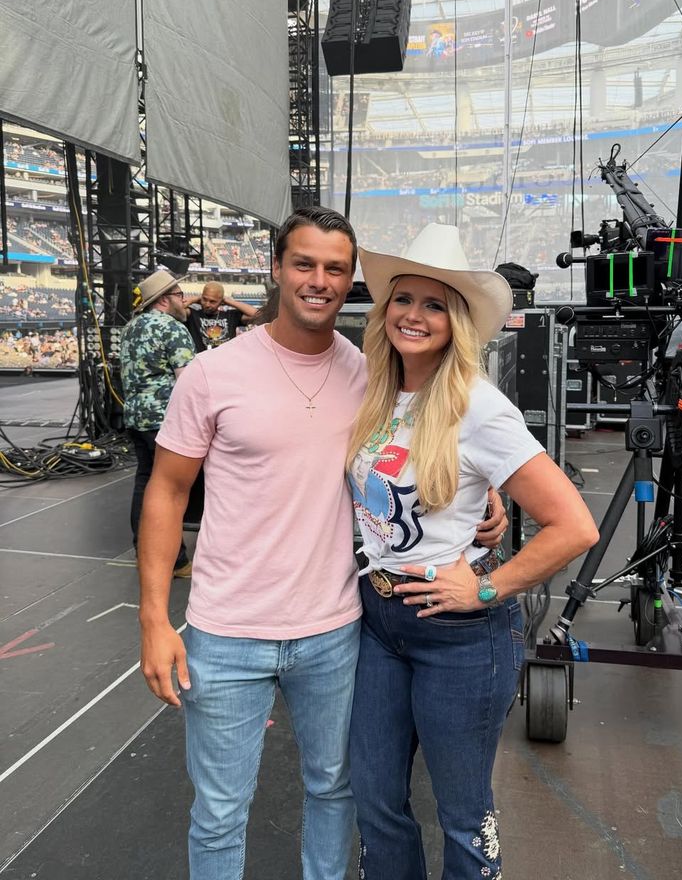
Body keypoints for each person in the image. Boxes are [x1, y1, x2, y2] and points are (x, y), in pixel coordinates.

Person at [136, 207, 507, 880]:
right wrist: (154, 619)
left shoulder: (375, 374)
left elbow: (433, 442)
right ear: (276, 269)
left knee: (335, 794)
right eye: (304, 263)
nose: (319, 280)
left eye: (336, 268)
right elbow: (165, 492)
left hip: (337, 631)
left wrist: (488, 500)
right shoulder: (212, 374)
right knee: (219, 813)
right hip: (225, 633)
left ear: (350, 280)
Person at [346, 222, 599, 879]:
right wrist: (481, 505)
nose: (415, 315)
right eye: (404, 299)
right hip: (378, 621)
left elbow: (573, 525)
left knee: (462, 815)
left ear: (456, 321)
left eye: (435, 304)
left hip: (460, 634)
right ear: (384, 309)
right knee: (375, 803)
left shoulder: (478, 407)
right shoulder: (374, 393)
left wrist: (485, 588)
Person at [120, 270, 195, 578]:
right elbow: (187, 381)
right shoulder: (172, 328)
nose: (183, 300)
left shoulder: (130, 327)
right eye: (178, 295)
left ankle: (144, 551)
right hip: (164, 421)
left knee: (144, 484)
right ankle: (174, 560)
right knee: (171, 492)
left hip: (135, 417)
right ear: (164, 301)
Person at [183, 281, 259, 352]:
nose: (207, 304)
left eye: (212, 301)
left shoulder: (230, 316)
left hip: (225, 362)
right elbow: (177, 308)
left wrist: (229, 302)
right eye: (204, 299)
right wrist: (195, 299)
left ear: (221, 301)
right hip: (202, 362)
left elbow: (257, 314)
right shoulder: (193, 314)